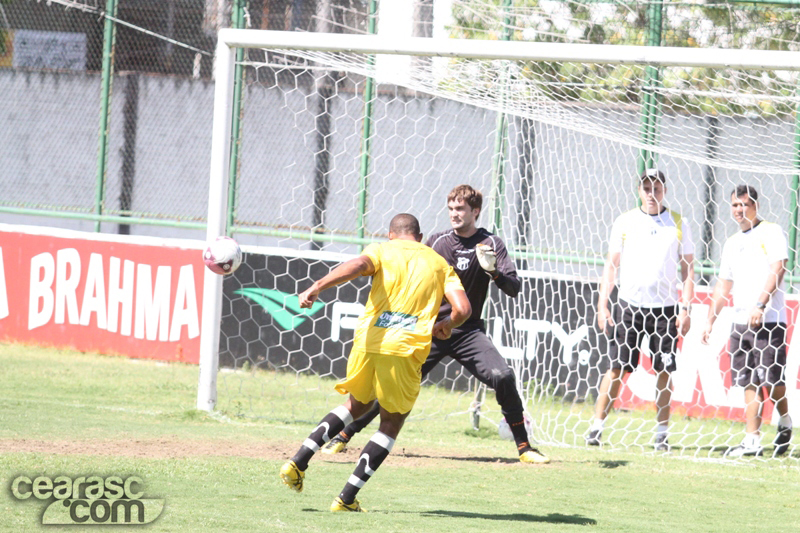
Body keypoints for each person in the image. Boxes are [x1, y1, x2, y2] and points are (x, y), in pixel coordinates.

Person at [320, 184, 551, 464]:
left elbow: (513, 288)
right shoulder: (436, 241)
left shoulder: (491, 243)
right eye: (451, 208)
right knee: (390, 385)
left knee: (502, 376)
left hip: (466, 331)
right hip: (429, 328)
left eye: (460, 209)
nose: (454, 214)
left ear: (475, 211)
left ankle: (524, 447)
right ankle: (343, 435)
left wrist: (493, 272)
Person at [279, 213, 471, 512]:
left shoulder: (381, 250)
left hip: (369, 342)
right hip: (404, 348)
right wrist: (447, 323)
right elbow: (463, 309)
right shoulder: (439, 263)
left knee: (356, 405)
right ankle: (346, 498)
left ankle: (297, 461)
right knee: (391, 421)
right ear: (420, 238)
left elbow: (357, 266)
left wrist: (317, 286)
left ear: (391, 234)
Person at [586, 169, 695, 451]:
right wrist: (602, 305)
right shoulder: (625, 221)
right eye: (646, 188)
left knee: (664, 371)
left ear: (664, 191)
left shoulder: (678, 223)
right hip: (629, 308)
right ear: (639, 190)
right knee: (616, 368)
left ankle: (662, 434)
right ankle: (596, 427)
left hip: (665, 311)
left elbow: (688, 269)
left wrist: (685, 308)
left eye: (656, 188)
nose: (651, 193)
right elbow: (611, 266)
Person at [701, 185, 793, 458]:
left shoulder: (771, 231)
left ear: (756, 206)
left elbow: (779, 267)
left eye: (745, 205)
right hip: (740, 322)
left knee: (771, 381)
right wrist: (710, 320)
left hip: (768, 320)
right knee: (748, 381)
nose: (739, 210)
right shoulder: (731, 243)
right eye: (735, 205)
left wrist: (760, 305)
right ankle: (752, 440)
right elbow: (723, 284)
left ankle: (785, 419)